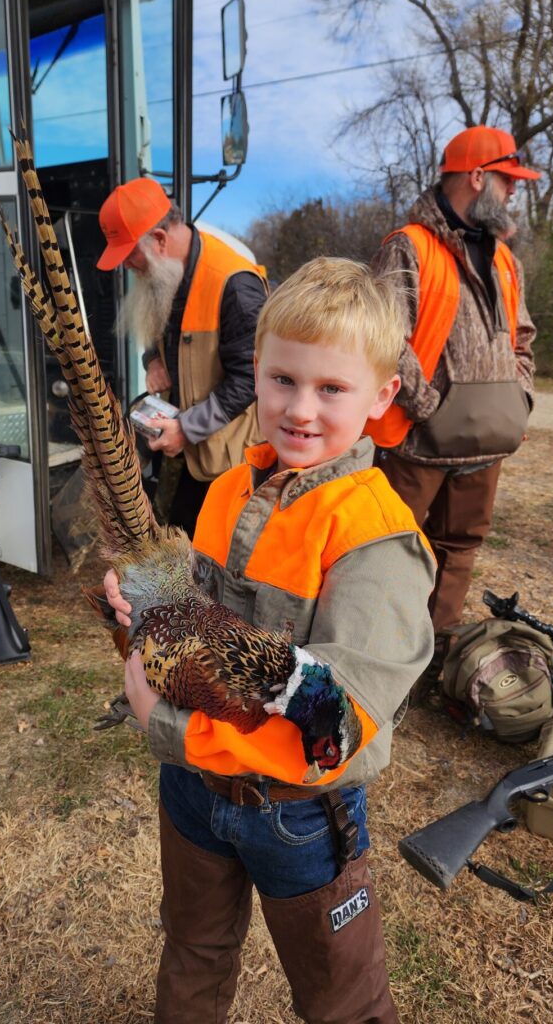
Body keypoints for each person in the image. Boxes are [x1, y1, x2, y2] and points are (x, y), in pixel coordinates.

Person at [104, 257, 436, 1024]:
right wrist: (149, 602)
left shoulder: (376, 540)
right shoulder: (228, 488)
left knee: (342, 1001)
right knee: (193, 950)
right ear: (256, 369)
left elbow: (332, 723)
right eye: (283, 379)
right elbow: (202, 610)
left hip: (298, 817)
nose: (300, 410)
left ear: (383, 397)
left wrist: (171, 726)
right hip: (194, 796)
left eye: (332, 388)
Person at [368, 125, 537, 685]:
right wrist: (427, 407)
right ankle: (378, 657)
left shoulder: (506, 260)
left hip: (487, 444)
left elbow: (523, 337)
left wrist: (521, 398)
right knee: (388, 552)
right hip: (418, 444)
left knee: (459, 550)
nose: (514, 192)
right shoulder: (408, 245)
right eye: (509, 181)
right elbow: (384, 336)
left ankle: (434, 663)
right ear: (478, 176)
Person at [96, 177, 267, 537]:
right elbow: (153, 326)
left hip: (226, 463)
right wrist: (152, 360)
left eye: (129, 254)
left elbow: (252, 378)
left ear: (159, 239)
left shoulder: (235, 284)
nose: (127, 265)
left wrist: (187, 429)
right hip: (179, 452)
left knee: (208, 560)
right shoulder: (165, 271)